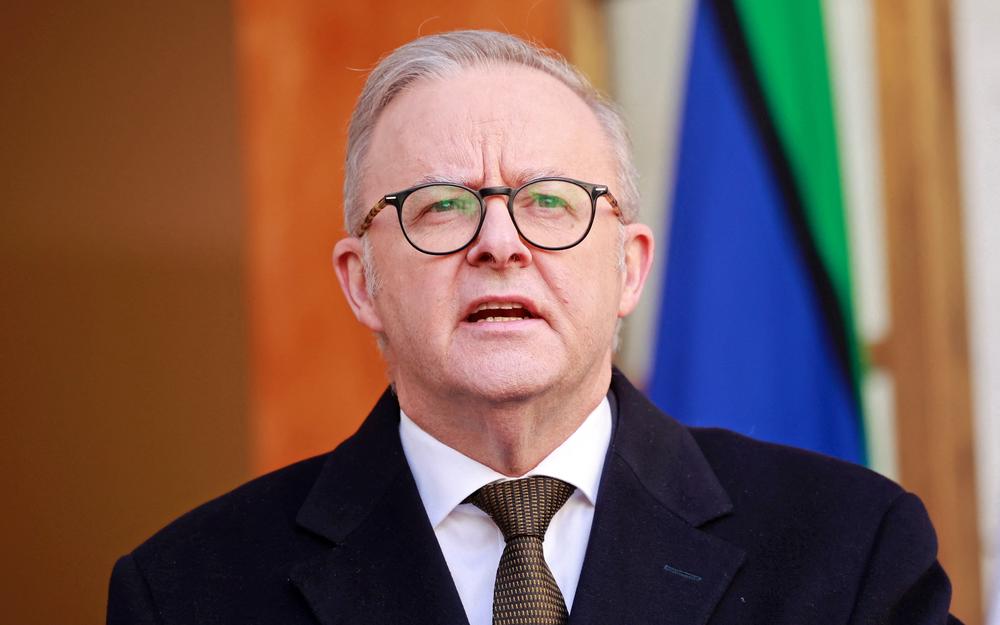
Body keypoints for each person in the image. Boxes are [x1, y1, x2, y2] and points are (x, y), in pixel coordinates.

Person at [107, 30, 960, 625]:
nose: (499, 243)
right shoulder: (186, 592)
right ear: (362, 282)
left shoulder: (849, 548)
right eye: (441, 206)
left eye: (549, 201)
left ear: (629, 267)